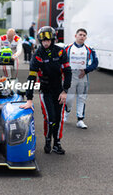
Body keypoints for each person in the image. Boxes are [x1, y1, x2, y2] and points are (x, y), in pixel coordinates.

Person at [20, 26, 71, 155]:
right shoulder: (37, 54)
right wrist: (29, 99)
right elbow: (31, 77)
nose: (45, 43)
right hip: (45, 91)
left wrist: (65, 91)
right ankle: (48, 140)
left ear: (53, 39)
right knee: (50, 118)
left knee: (59, 118)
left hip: (59, 91)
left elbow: (68, 72)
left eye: (48, 40)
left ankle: (57, 143)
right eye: (43, 41)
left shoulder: (60, 52)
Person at [64, 28, 98, 129]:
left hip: (83, 77)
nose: (82, 37)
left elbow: (95, 63)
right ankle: (67, 112)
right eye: (80, 35)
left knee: (82, 98)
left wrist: (86, 70)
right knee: (69, 99)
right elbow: (61, 61)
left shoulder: (89, 49)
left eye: (84, 35)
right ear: (75, 36)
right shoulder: (67, 48)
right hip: (71, 76)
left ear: (86, 37)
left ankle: (80, 119)